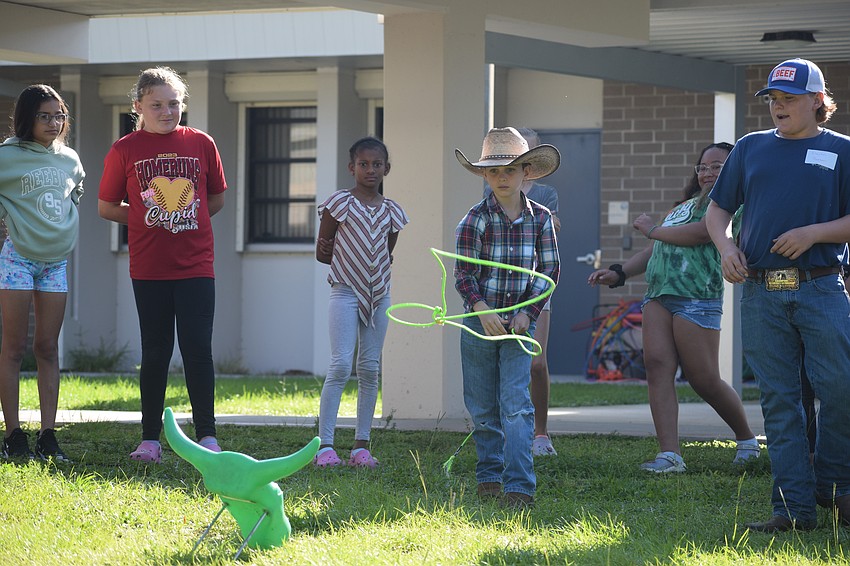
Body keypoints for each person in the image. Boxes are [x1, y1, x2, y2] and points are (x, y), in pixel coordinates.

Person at [706, 58, 850, 532]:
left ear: (817, 101)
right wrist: (726, 247)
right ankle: (792, 509)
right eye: (773, 99)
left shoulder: (842, 151)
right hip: (762, 292)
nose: (779, 107)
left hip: (822, 287)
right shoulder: (750, 148)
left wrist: (813, 233)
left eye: (789, 99)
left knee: (841, 390)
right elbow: (717, 211)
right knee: (780, 402)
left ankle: (834, 486)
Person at [588, 142, 759, 474]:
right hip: (658, 295)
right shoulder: (683, 206)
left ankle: (747, 440)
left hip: (696, 298)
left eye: (718, 166)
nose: (708, 172)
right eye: (703, 167)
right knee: (656, 367)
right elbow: (656, 249)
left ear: (734, 170)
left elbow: (699, 235)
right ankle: (670, 455)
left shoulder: (733, 206)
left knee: (703, 378)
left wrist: (653, 229)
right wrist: (620, 272)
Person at [98, 67, 227, 464]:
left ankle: (207, 436)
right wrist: (145, 215)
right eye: (156, 105)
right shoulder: (125, 149)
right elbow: (106, 207)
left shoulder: (202, 143)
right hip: (149, 268)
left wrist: (183, 216)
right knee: (155, 351)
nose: (167, 111)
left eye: (174, 103)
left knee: (197, 350)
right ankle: (149, 439)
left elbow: (215, 199)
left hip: (196, 267)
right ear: (138, 106)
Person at [454, 127, 560, 508]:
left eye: (511, 170)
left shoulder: (541, 218)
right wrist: (481, 310)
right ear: (484, 175)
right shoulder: (474, 219)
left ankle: (519, 484)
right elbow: (463, 275)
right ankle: (489, 473)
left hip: (518, 323)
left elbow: (549, 272)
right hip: (479, 322)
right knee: (483, 406)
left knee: (515, 403)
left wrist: (526, 313)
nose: (502, 177)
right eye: (494, 171)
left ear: (526, 173)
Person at [0, 85, 84, 462]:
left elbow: (73, 197)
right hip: (17, 259)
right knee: (14, 348)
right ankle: (14, 434)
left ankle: (48, 436)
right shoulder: (7, 155)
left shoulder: (70, 159)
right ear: (27, 118)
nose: (54, 123)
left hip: (56, 263)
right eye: (45, 116)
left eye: (59, 115)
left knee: (47, 348)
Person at [313, 136, 408, 469]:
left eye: (377, 164)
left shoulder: (392, 211)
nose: (370, 170)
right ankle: (325, 446)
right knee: (340, 364)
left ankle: (361, 446)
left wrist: (373, 273)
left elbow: (387, 250)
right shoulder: (339, 203)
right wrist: (351, 266)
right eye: (363, 164)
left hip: (379, 295)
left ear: (387, 169)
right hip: (344, 291)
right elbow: (323, 250)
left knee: (369, 368)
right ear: (351, 167)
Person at [484, 127, 560, 457]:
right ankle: (508, 433)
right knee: (500, 366)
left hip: (534, 291)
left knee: (536, 363)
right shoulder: (493, 193)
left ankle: (540, 433)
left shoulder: (544, 195)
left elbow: (554, 228)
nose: (506, 173)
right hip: (499, 292)